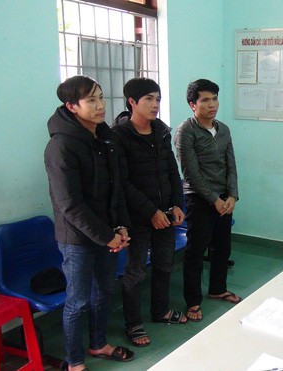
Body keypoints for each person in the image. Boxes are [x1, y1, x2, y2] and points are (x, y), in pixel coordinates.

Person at [44, 75, 135, 371]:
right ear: (72, 106)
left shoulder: (104, 137)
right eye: (91, 100)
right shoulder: (61, 146)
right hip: (78, 239)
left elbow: (116, 186)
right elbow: (69, 204)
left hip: (107, 233)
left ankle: (98, 344)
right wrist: (105, 236)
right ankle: (74, 362)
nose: (100, 106)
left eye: (101, 98)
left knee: (103, 292)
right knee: (78, 301)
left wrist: (120, 227)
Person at [112, 77, 187, 348]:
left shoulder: (161, 132)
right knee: (134, 273)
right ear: (132, 102)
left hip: (165, 214)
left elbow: (171, 171)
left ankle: (160, 310)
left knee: (164, 263)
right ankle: (132, 322)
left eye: (158, 99)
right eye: (149, 99)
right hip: (137, 218)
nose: (155, 105)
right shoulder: (118, 137)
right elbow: (122, 183)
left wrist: (176, 203)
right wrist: (151, 211)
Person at [174, 78, 241, 322]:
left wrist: (232, 195)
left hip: (224, 198)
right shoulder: (186, 131)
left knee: (222, 247)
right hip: (198, 199)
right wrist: (214, 199)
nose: (212, 104)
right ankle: (192, 302)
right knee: (195, 252)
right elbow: (190, 172)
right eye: (205, 100)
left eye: (214, 99)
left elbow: (231, 165)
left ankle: (217, 289)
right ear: (193, 104)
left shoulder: (223, 129)